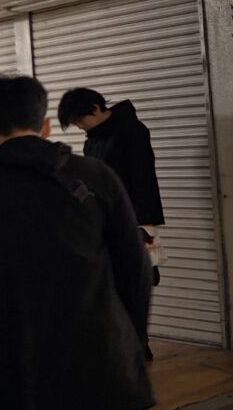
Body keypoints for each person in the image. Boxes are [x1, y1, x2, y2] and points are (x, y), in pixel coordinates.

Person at [0, 75, 154, 410]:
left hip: (5, 384)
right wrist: (126, 347)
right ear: (44, 125)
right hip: (93, 377)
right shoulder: (92, 177)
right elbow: (136, 276)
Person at [58, 89, 165, 286]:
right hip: (105, 222)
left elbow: (144, 179)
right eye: (75, 123)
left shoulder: (133, 131)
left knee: (137, 280)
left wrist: (146, 224)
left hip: (132, 220)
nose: (80, 127)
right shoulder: (92, 141)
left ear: (96, 108)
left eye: (80, 121)